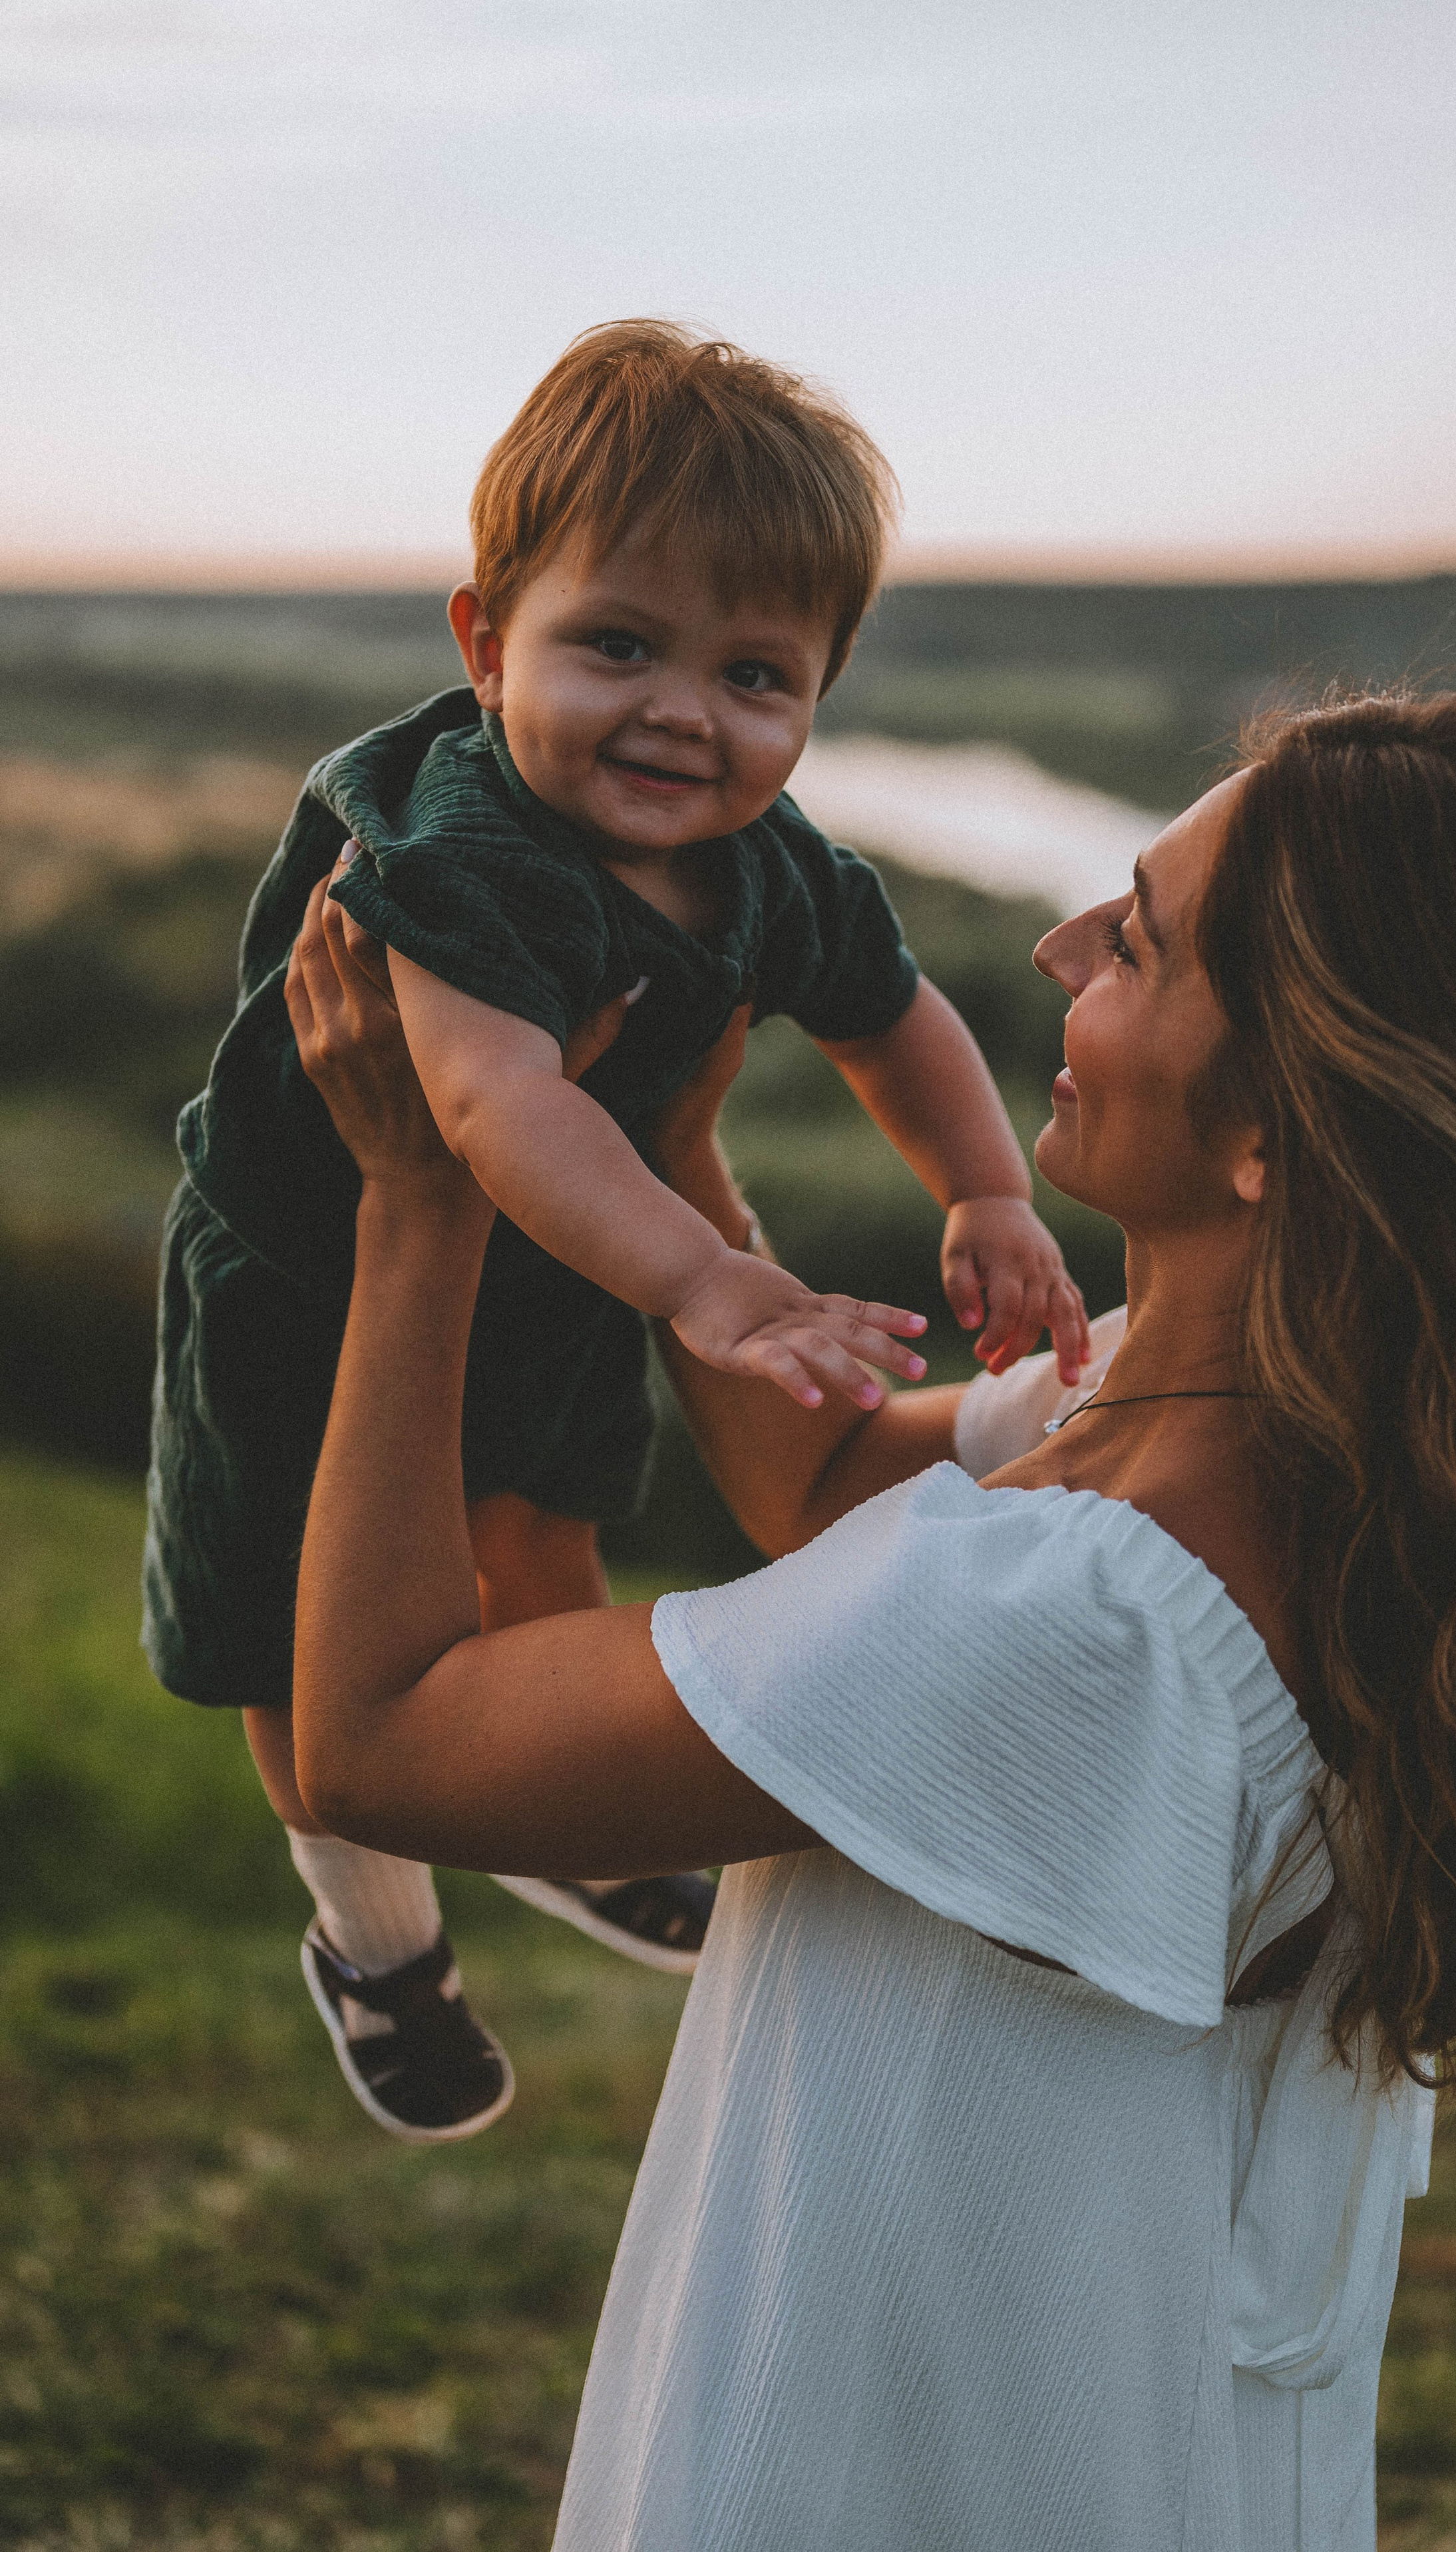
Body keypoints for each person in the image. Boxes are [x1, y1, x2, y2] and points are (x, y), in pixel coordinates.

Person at [286, 692, 1456, 2549]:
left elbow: (381, 1734)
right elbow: (825, 1492)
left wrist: (422, 1195)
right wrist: (686, 1161)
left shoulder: (1077, 1622)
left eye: (1136, 938)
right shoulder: (1285, 1435)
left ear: (1274, 1130)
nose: (1056, 948)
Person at [142, 319, 1087, 2141]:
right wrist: (709, 1275)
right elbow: (493, 1108)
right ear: (486, 640)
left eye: (755, 673)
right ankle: (379, 1941)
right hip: (313, 1288)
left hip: (560, 1270)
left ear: (818, 695)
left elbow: (893, 1012)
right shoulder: (462, 848)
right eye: (618, 645)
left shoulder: (766, 859)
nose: (683, 713)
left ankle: (545, 1815)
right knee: (297, 1632)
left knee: (543, 1533)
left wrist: (983, 1186)